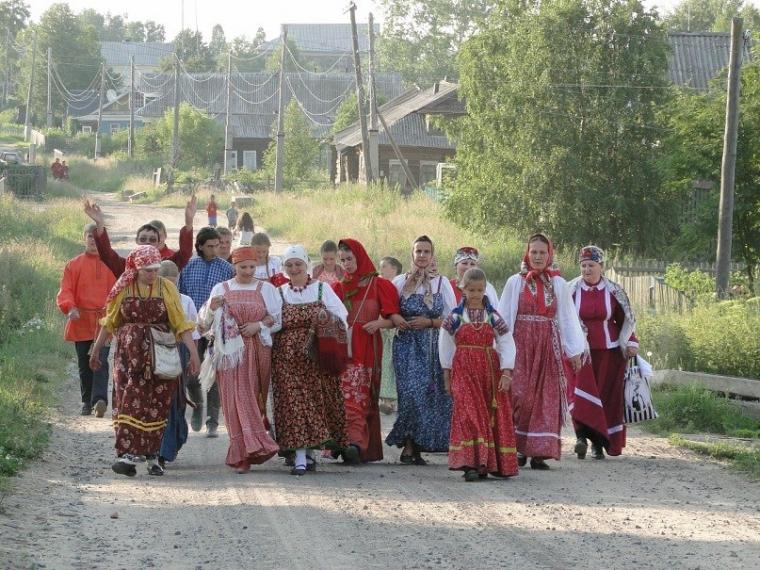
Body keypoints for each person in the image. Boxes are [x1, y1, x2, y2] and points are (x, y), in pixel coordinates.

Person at [89, 246, 200, 477]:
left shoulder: (166, 288)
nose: (151, 274)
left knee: (156, 404)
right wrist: (97, 350)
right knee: (129, 399)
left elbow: (181, 324)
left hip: (160, 355)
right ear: (136, 268)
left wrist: (193, 354)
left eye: (155, 269)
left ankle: (153, 457)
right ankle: (127, 455)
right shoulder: (124, 287)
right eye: (147, 270)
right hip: (129, 357)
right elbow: (110, 321)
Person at [497, 233, 585, 470]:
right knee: (519, 394)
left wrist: (574, 350)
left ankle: (539, 452)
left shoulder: (558, 284)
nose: (537, 257)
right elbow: (504, 316)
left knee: (545, 397)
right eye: (533, 252)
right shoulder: (515, 282)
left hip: (548, 345)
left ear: (550, 255)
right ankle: (515, 448)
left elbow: (567, 317)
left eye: (542, 252)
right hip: (521, 344)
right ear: (527, 253)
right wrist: (502, 349)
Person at [199, 246, 282, 473]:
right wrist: (211, 308)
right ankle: (243, 452)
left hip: (256, 351)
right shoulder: (221, 288)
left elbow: (277, 318)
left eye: (252, 267)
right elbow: (205, 321)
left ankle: (253, 446)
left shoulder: (266, 288)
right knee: (233, 399)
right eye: (242, 266)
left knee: (250, 397)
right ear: (233, 266)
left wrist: (258, 325)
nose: (247, 271)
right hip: (229, 354)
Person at [271, 245, 348, 475]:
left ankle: (310, 452)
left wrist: (326, 317)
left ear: (306, 265)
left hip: (317, 356)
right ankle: (300, 457)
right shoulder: (280, 292)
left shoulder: (323, 289)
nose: (294, 269)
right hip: (287, 358)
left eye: (298, 264)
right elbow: (273, 322)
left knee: (315, 403)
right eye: (290, 265)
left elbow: (342, 316)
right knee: (293, 405)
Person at [440, 268, 518, 481]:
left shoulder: (493, 316)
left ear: (485, 290)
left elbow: (506, 342)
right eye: (471, 290)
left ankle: (484, 463)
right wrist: (446, 374)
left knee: (486, 415)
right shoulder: (455, 317)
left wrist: (506, 371)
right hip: (463, 370)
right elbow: (445, 345)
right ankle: (469, 463)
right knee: (468, 413)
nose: (475, 294)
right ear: (462, 289)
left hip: (488, 371)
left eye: (479, 290)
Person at [386, 235, 457, 465]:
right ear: (412, 254)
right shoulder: (400, 282)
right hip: (406, 345)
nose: (422, 255)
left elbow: (453, 317)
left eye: (427, 251)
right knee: (409, 395)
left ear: (432, 255)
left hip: (431, 346)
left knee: (427, 395)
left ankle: (416, 446)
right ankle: (408, 444)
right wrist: (397, 318)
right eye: (419, 251)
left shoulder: (441, 283)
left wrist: (430, 323)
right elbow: (388, 309)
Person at [332, 239, 401, 463]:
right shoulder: (338, 287)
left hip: (367, 350)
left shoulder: (379, 285)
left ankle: (356, 444)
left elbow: (393, 319)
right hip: (343, 351)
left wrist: (378, 324)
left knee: (360, 398)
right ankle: (345, 443)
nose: (346, 264)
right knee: (342, 398)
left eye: (350, 259)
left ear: (360, 257)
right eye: (342, 260)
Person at [568, 245, 638, 460]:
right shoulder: (570, 290)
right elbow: (562, 319)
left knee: (605, 397)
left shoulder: (614, 291)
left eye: (591, 265)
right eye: (583, 265)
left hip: (609, 353)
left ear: (601, 267)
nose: (587, 270)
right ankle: (581, 437)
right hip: (580, 353)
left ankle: (599, 443)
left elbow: (625, 318)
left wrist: (632, 342)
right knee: (580, 394)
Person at [178, 227, 235, 438]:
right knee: (191, 372)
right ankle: (197, 404)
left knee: (214, 374)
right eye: (209, 246)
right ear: (200, 246)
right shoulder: (188, 267)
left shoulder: (227, 269)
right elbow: (181, 297)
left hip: (216, 329)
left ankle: (212, 421)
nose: (214, 250)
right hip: (192, 329)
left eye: (217, 245)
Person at [56, 223, 116, 417]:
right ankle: (86, 401)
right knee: (84, 362)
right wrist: (70, 307)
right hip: (81, 319)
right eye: (89, 236)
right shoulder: (73, 264)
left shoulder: (111, 263)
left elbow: (119, 291)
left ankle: (100, 400)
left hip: (104, 321)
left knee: (101, 359)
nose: (93, 240)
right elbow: (66, 290)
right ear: (84, 238)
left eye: (96, 236)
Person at [83, 196, 196, 276]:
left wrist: (189, 223)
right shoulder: (125, 267)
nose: (147, 242)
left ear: (158, 243)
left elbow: (185, 254)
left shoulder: (163, 266)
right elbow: (106, 254)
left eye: (152, 240)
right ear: (137, 241)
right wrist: (99, 224)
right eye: (143, 239)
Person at [157, 261, 200, 469]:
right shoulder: (152, 300)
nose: (170, 288)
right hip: (156, 352)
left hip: (179, 351)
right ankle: (159, 449)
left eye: (174, 283)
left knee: (175, 398)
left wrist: (194, 356)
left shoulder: (185, 301)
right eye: (166, 283)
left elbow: (193, 331)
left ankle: (170, 444)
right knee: (159, 400)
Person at [378, 256, 402, 414]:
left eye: (384, 266)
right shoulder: (380, 283)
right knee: (383, 363)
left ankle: (391, 400)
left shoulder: (399, 285)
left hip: (395, 330)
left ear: (393, 269)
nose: (381, 269)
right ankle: (384, 398)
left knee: (393, 364)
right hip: (382, 329)